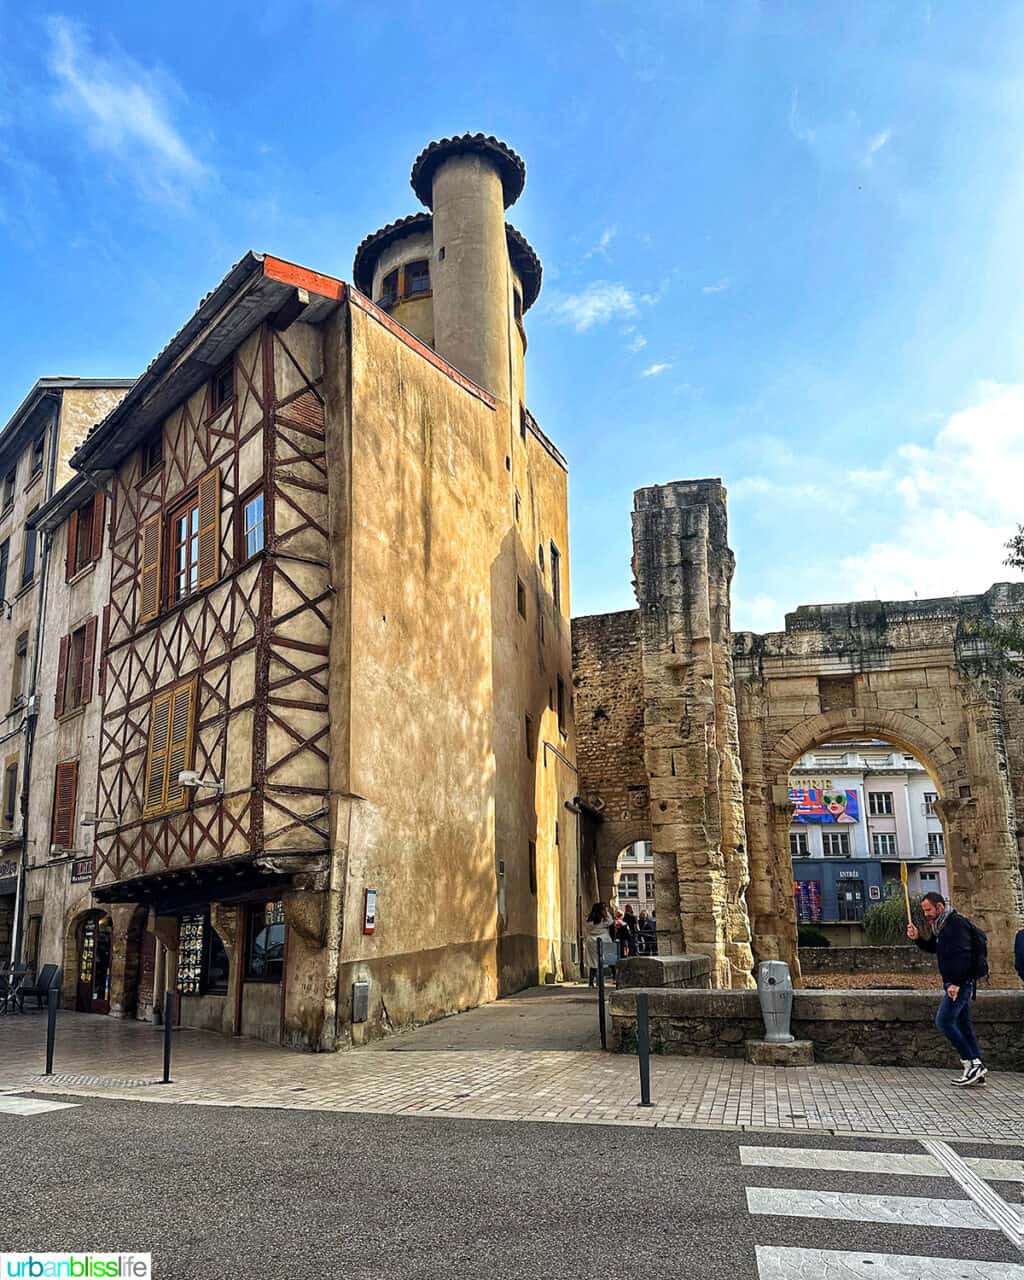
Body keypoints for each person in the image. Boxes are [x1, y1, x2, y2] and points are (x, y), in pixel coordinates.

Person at [907, 891, 987, 1086]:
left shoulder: (955, 924)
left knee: (944, 1021)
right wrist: (917, 938)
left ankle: (970, 1063)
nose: (926, 915)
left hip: (959, 983)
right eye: (924, 911)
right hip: (957, 982)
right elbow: (934, 948)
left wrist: (955, 984)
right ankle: (976, 1066)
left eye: (928, 910)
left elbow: (962, 955)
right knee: (963, 1025)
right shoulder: (940, 926)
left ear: (940, 907)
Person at [584, 903, 611, 987]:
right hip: (603, 940)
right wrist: (607, 913)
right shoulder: (604, 919)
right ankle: (600, 982)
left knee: (593, 962)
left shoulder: (589, 919)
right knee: (601, 962)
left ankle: (591, 982)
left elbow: (587, 927)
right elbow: (611, 922)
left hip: (591, 941)